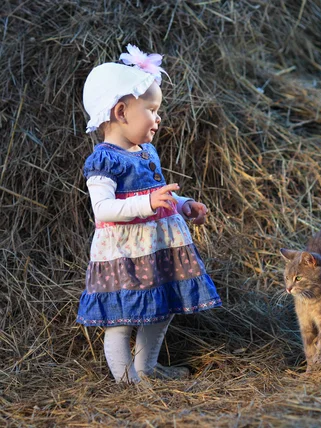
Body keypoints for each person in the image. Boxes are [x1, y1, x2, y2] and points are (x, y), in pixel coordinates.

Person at [76, 44, 221, 383]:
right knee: (121, 319)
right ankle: (128, 382)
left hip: (156, 250)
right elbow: (103, 210)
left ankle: (147, 368)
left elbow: (154, 195)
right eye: (151, 109)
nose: (158, 117)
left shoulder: (146, 152)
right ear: (122, 112)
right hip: (124, 253)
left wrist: (182, 205)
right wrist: (147, 204)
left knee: (162, 309)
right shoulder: (104, 160)